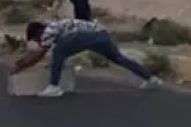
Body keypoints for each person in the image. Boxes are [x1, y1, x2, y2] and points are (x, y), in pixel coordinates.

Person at [11, 17, 160, 99]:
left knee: (58, 52)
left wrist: (20, 66)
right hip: (101, 34)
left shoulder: (48, 31)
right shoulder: (56, 27)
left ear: (37, 33)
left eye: (36, 40)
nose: (38, 42)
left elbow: (39, 55)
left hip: (86, 36)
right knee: (118, 58)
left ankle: (54, 87)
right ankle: (149, 78)